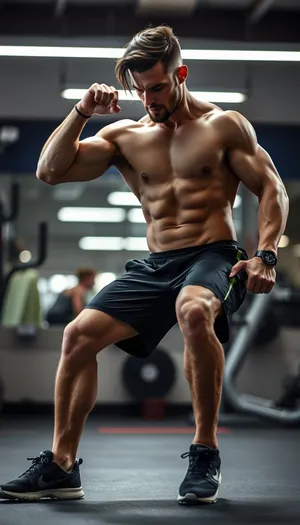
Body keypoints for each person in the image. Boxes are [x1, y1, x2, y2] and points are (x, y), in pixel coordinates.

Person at [0, 25, 289, 504]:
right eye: (140, 91)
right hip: (158, 262)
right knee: (77, 335)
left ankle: (205, 452)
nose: (149, 100)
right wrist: (81, 113)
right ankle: (61, 466)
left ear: (181, 74)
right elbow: (49, 171)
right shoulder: (124, 136)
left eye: (157, 87)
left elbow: (272, 188)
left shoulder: (224, 126)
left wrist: (266, 254)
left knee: (194, 310)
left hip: (215, 254)